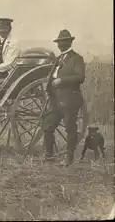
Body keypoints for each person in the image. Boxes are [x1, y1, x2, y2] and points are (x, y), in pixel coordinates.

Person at [43, 29, 86, 166]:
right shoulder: (58, 59)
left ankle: (68, 159)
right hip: (56, 100)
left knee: (70, 129)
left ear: (70, 42)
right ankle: (49, 156)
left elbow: (80, 77)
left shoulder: (76, 59)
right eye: (59, 42)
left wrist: (62, 81)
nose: (60, 44)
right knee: (47, 125)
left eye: (63, 42)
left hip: (70, 100)